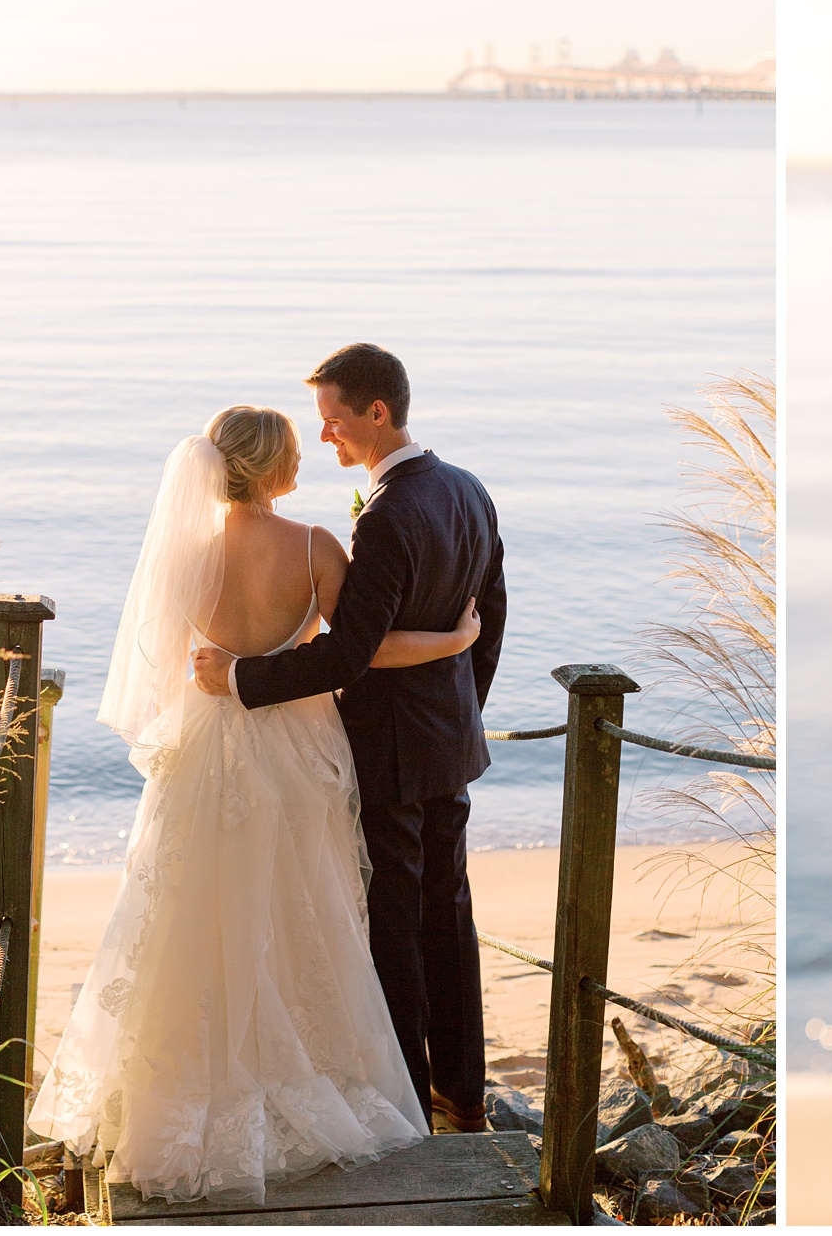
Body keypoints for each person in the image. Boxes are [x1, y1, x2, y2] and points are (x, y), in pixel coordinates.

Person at [29, 404, 480, 1203]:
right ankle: (310, 1074)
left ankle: (178, 1090)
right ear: (269, 465)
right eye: (296, 449)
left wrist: (223, 672)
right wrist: (453, 641)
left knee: (191, 911)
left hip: (206, 746)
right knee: (301, 912)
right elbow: (362, 649)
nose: (308, 455)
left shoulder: (188, 553)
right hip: (295, 754)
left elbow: (174, 667)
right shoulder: (313, 546)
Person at [192, 343, 507, 1136]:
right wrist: (461, 708)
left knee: (397, 919)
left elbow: (351, 651)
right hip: (447, 744)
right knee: (450, 909)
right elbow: (490, 614)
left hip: (394, 749)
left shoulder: (387, 514)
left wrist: (240, 678)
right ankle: (463, 1094)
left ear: (377, 411)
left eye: (334, 419)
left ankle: (408, 1092)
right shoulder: (467, 489)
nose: (325, 435)